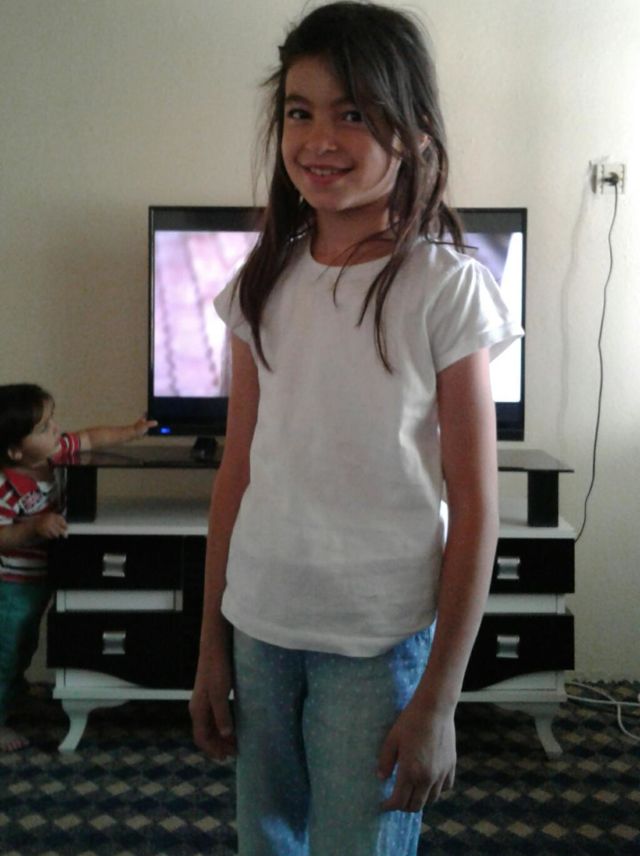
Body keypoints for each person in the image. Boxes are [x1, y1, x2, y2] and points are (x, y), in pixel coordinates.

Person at [190, 2, 523, 853]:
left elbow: (475, 509)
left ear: (412, 133)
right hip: (260, 626)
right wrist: (210, 645)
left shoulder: (445, 287)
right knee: (266, 839)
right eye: (300, 112)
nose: (319, 139)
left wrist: (439, 701)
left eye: (353, 114)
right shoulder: (262, 282)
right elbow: (237, 473)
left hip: (375, 644)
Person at [0, 383, 156, 752]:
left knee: (25, 643)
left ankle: (15, 690)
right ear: (14, 450)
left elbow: (91, 438)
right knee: (6, 650)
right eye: (43, 427)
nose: (56, 429)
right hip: (11, 585)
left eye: (52, 420)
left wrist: (132, 431)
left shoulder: (52, 453)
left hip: (41, 579)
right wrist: (34, 528)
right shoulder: (6, 485)